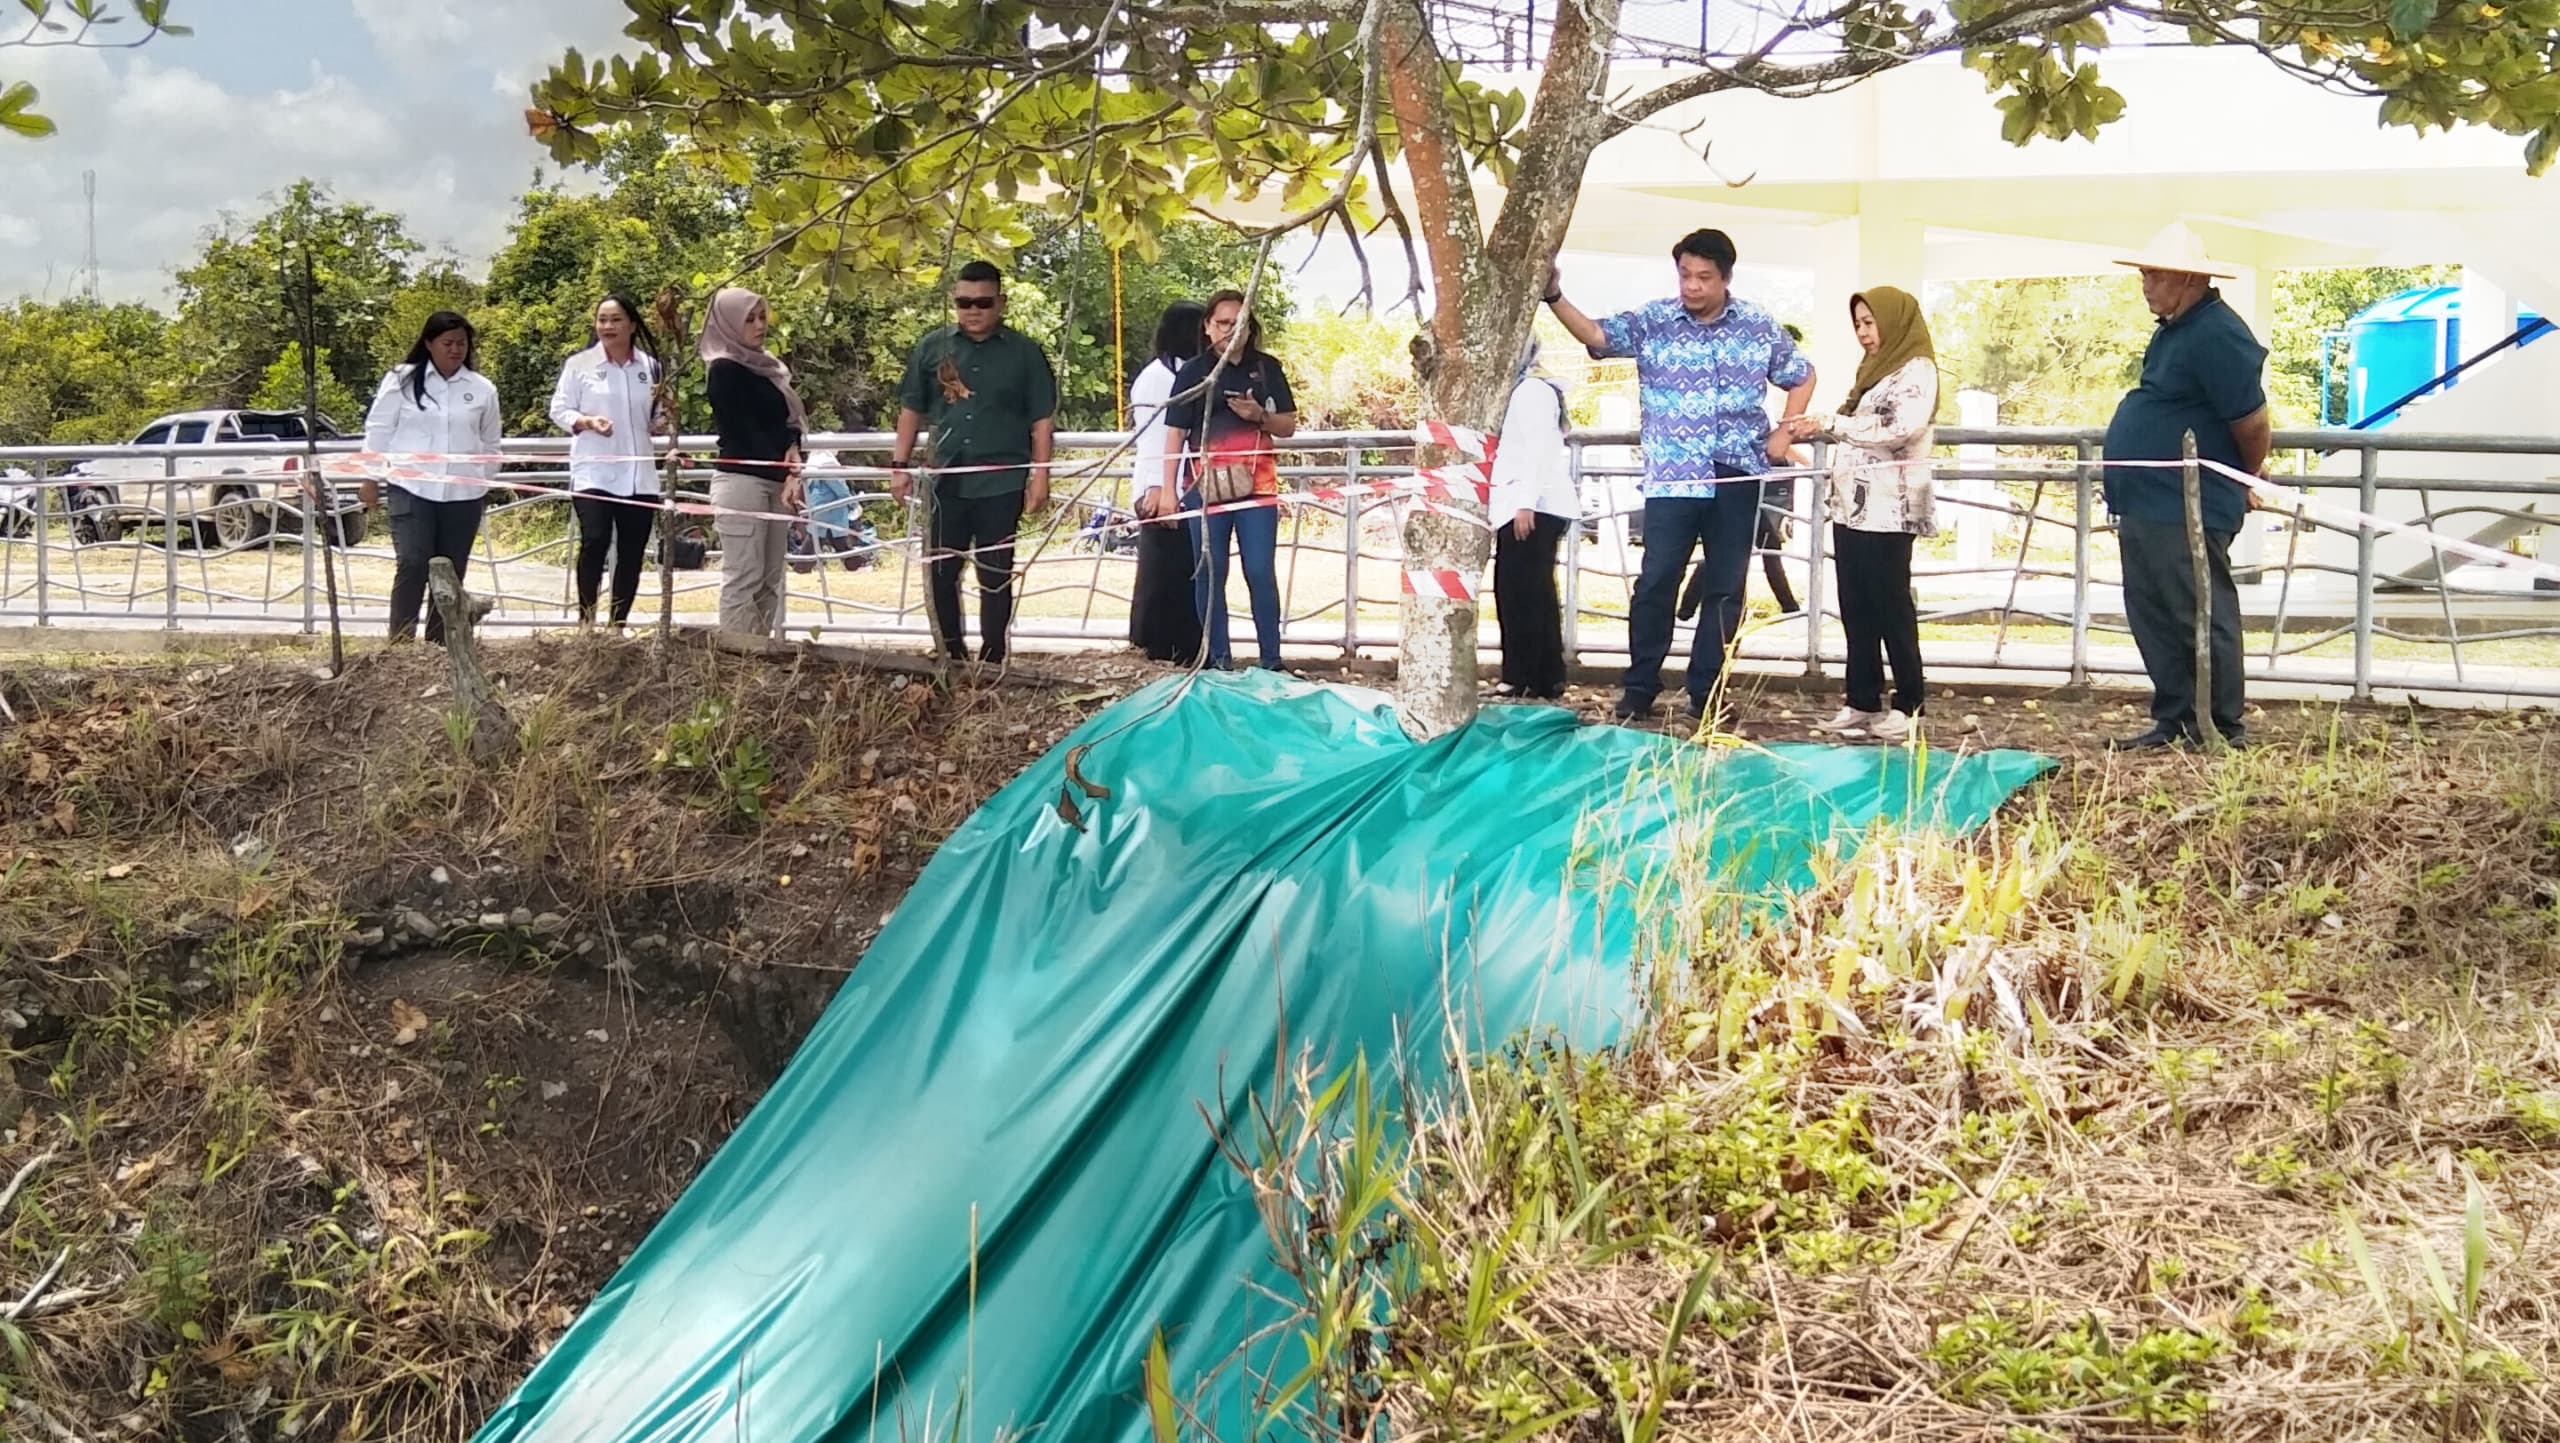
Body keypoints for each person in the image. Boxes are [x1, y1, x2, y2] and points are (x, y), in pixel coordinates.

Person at [1546, 229, 1816, 726]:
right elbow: (1597, 336)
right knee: (1656, 582)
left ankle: (1707, 694)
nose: (1692, 286)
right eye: (1685, 275)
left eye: (1703, 278)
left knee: (1726, 586)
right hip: (1673, 476)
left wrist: (1785, 431)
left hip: (1736, 473)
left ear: (1726, 278)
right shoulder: (1654, 321)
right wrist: (1553, 295)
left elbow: (1801, 374)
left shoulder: (1756, 324)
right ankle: (1639, 688)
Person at [2101, 224, 2270, 750]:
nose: (2146, 284)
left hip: (2186, 500)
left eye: (2155, 274)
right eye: (2145, 274)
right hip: (2148, 497)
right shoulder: (2171, 330)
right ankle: (2175, 716)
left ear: (2189, 279)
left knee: (2199, 606)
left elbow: (2252, 419)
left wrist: (2242, 474)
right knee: (2154, 606)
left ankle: (2218, 723)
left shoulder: (2217, 332)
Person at [1782, 286, 1940, 742]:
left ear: (1895, 321)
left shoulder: (1917, 370)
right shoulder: (1874, 369)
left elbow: (1898, 427)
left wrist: (1832, 423)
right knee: (1856, 605)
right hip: (1854, 507)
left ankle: (1910, 705)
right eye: (1858, 324)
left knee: (1891, 606)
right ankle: (1862, 700)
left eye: (1871, 323)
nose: (1864, 333)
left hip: (1890, 509)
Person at [891, 260, 1058, 666]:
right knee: (941, 573)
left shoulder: (1025, 353)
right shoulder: (933, 347)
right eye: (964, 302)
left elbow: (1042, 420)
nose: (973, 311)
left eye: (982, 302)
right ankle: (950, 654)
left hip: (1001, 481)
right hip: (945, 478)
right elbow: (911, 409)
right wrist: (899, 465)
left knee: (995, 574)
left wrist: (1040, 476)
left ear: (1000, 302)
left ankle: (994, 659)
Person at [1162, 289, 1299, 672]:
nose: (1230, 330)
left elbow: (1287, 425)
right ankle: (1217, 659)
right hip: (1204, 490)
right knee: (1210, 569)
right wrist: (1168, 491)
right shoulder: (1192, 372)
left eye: (1239, 323)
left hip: (1258, 488)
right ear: (1207, 327)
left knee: (1259, 570)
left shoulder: (1267, 368)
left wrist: (1259, 415)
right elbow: (1173, 433)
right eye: (1222, 322)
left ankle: (1271, 660)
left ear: (1250, 328)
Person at [364, 310, 502, 645]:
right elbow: (379, 428)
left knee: (451, 572)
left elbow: (490, 443)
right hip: (411, 488)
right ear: (429, 344)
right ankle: (400, 643)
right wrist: (369, 476)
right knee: (413, 562)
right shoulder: (402, 380)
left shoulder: (482, 389)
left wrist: (481, 479)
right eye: (447, 343)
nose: (455, 350)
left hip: (463, 495)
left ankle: (441, 646)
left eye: (462, 344)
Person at [549, 292, 669, 629]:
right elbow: (559, 409)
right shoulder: (579, 365)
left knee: (632, 553)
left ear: (632, 324)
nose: (608, 326)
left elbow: (655, 417)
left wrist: (662, 422)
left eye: (616, 320)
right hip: (594, 472)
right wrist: (587, 421)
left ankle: (617, 626)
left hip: (639, 474)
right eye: (602, 319)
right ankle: (586, 623)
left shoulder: (651, 367)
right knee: (596, 540)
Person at [701, 286, 805, 638]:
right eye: (749, 319)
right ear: (729, 323)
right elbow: (744, 433)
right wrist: (786, 468)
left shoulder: (767, 367)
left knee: (769, 578)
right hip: (742, 483)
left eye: (762, 317)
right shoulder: (724, 370)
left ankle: (762, 655)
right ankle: (737, 661)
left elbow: (785, 424)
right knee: (744, 575)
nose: (759, 325)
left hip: (777, 482)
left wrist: (793, 452)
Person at [1487, 336, 1578, 699]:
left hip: (1534, 503)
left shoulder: (1532, 391)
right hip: (1525, 500)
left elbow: (1541, 449)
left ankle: (1526, 673)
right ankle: (1540, 674)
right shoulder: (1521, 389)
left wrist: (1525, 502)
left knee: (1521, 590)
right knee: (1526, 589)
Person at [1128, 300, 1208, 663]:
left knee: (1180, 569)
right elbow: (1156, 440)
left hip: (1178, 484)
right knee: (1163, 573)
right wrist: (1162, 490)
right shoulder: (1159, 379)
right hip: (1162, 486)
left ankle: (1182, 644)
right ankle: (1158, 644)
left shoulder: (1182, 373)